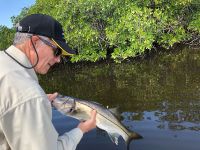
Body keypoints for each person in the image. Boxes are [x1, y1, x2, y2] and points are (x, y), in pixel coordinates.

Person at [0, 14, 96, 150]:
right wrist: (81, 129)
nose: (58, 60)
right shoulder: (28, 94)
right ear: (35, 41)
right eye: (57, 51)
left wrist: (30, 105)